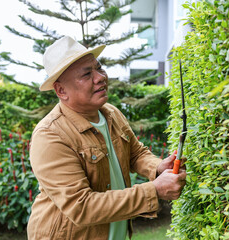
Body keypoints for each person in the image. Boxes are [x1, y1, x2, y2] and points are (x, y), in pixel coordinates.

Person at [27, 36, 187, 240]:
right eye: (86, 74)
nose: (100, 77)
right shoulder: (50, 135)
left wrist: (157, 167)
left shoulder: (110, 113)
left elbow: (135, 153)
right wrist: (154, 190)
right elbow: (81, 207)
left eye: (99, 67)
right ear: (61, 90)